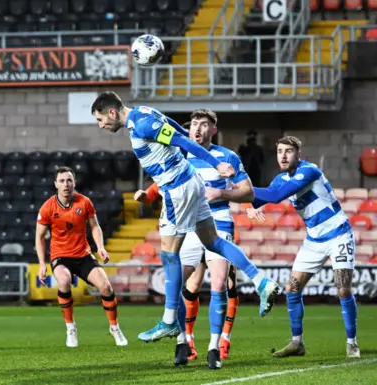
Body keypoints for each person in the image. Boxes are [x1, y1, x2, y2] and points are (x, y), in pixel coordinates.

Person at [91, 91, 279, 367]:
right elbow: (177, 128)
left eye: (99, 119)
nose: (100, 125)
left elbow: (179, 140)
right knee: (212, 241)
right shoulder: (145, 112)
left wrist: (216, 163)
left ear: (111, 112)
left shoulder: (141, 125)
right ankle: (261, 281)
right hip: (191, 184)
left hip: (177, 190)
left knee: (169, 254)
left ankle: (169, 320)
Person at [134, 110, 251, 368]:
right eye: (195, 124)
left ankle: (213, 348)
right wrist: (149, 195)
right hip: (187, 224)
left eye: (204, 125)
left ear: (213, 130)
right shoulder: (181, 153)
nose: (197, 129)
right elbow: (165, 179)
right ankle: (182, 343)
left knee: (218, 283)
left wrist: (221, 192)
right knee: (177, 285)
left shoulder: (227, 156)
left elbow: (247, 191)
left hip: (217, 222)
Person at [245, 136, 360, 359]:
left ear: (299, 154)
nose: (283, 156)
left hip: (338, 234)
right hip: (314, 240)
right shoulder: (280, 179)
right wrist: (250, 205)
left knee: (343, 289)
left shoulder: (309, 171)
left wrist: (239, 187)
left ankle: (351, 343)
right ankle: (297, 343)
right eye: (279, 151)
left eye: (289, 151)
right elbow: (261, 198)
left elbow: (276, 196)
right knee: (292, 289)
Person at [36, 167, 128, 348]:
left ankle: (114, 327)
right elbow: (39, 236)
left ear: (74, 183)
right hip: (61, 256)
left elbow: (95, 226)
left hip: (83, 254)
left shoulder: (84, 202)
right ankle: (70, 328)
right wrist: (41, 264)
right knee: (63, 282)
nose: (66, 184)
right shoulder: (47, 207)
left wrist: (100, 247)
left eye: (69, 180)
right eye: (62, 181)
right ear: (56, 184)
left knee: (106, 287)